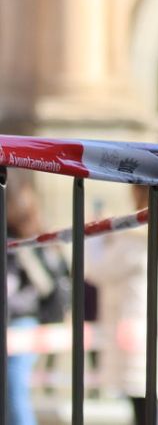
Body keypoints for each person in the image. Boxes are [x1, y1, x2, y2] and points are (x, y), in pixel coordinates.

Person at [86, 187, 158, 425]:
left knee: (148, 414)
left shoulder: (138, 242)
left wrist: (96, 232)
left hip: (140, 345)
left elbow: (96, 269)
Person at [5, 182, 68, 425]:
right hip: (28, 321)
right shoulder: (40, 236)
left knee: (14, 388)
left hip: (21, 321)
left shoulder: (18, 242)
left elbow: (16, 289)